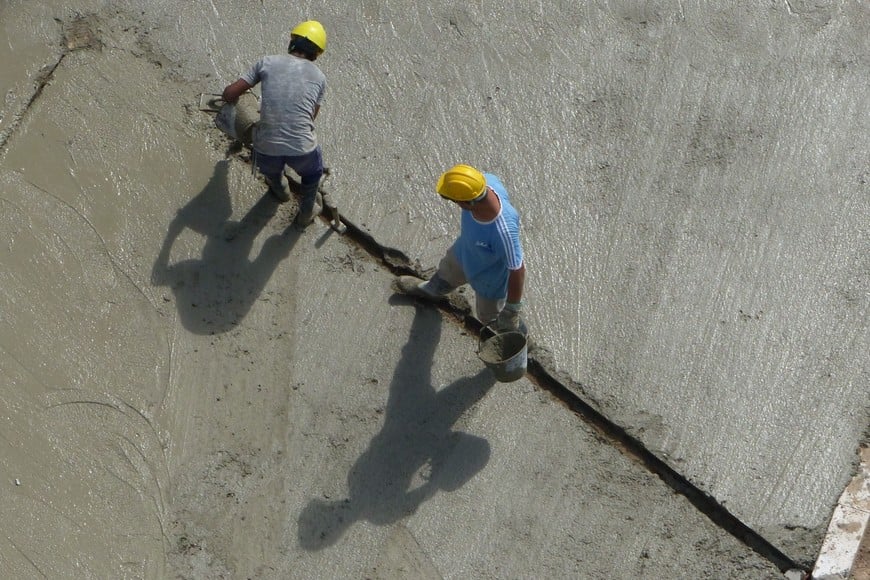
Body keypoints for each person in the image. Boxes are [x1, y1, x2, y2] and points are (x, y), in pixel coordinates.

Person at [395, 164, 527, 333]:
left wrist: (512, 309)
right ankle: (431, 290)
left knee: (490, 316)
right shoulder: (485, 181)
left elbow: (517, 270)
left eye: (453, 199)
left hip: (488, 277)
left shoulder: (503, 231)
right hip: (463, 253)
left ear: (467, 202)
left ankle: (522, 341)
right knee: (444, 274)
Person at [221, 20, 328, 226]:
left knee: (272, 172)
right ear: (316, 54)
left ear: (292, 42)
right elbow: (311, 117)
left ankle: (281, 192)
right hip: (303, 148)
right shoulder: (320, 78)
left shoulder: (267, 63)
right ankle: (306, 214)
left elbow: (230, 93)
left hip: (266, 147)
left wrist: (230, 99)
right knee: (312, 176)